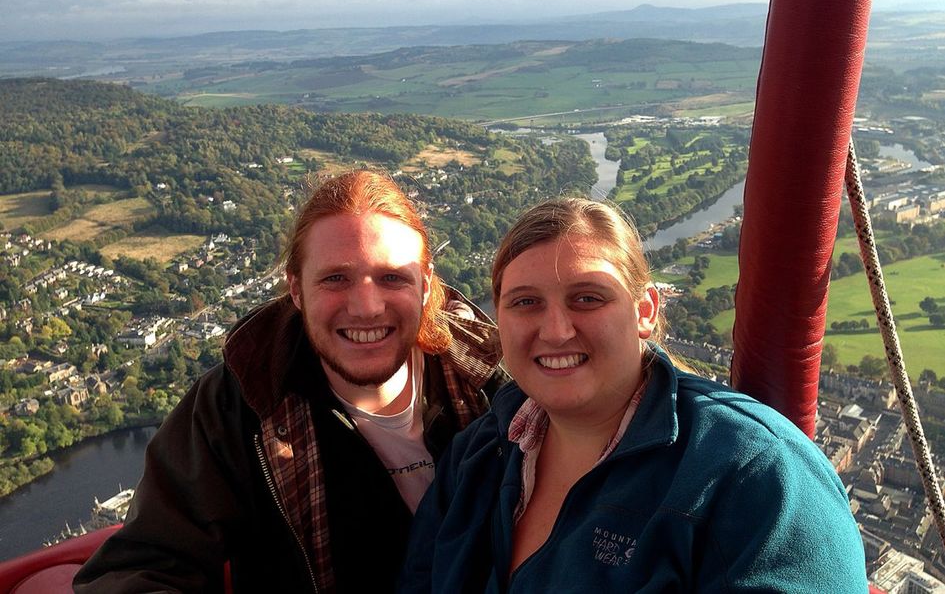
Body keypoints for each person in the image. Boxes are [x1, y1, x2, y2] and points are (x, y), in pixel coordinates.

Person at [400, 197, 868, 593]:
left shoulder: (757, 475)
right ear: (497, 316)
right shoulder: (480, 452)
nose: (557, 330)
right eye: (525, 302)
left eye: (588, 298)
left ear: (644, 311)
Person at [74, 170, 506, 593]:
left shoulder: (487, 377)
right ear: (296, 290)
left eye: (392, 277)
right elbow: (141, 567)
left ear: (426, 286)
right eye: (335, 278)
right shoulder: (243, 403)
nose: (366, 307)